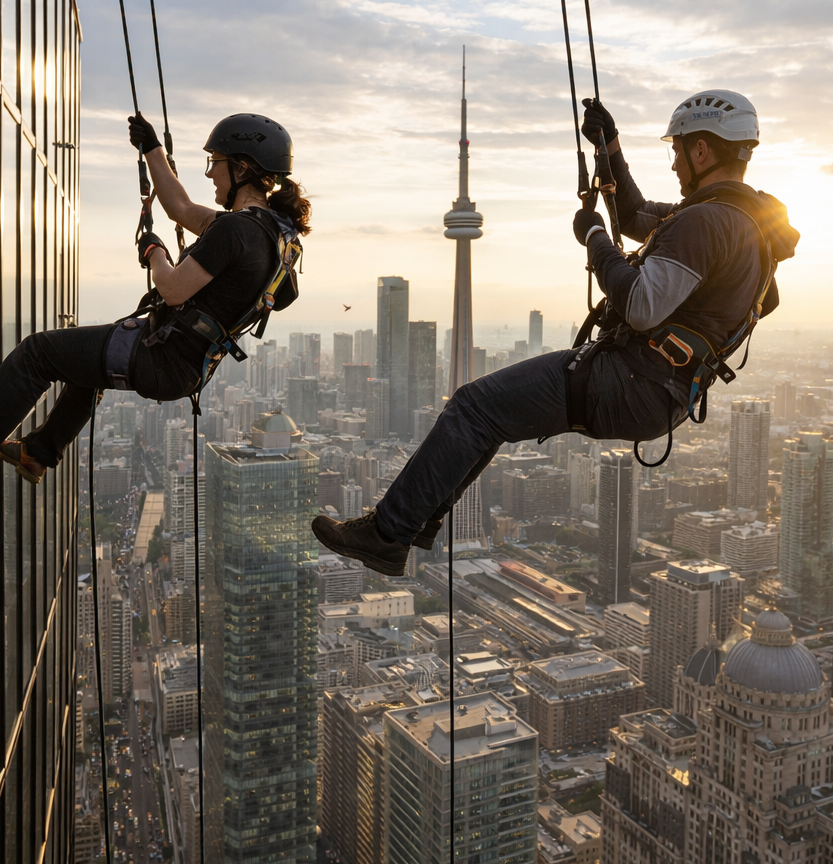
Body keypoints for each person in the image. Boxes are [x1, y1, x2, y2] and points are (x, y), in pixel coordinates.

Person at [313, 89, 799, 575]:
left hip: (633, 380)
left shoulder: (705, 220)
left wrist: (593, 239)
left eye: (677, 149)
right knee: (487, 415)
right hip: (657, 388)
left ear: (701, 150)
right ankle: (409, 525)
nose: (673, 162)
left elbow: (641, 306)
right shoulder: (738, 220)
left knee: (473, 406)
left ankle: (388, 533)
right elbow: (632, 217)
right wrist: (609, 150)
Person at [0, 112, 310, 485]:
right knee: (86, 362)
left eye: (215, 164)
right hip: (184, 363)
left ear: (241, 168)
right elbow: (179, 206)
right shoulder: (268, 236)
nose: (210, 175)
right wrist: (153, 149)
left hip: (162, 357)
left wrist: (155, 253)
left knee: (38, 352)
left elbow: (172, 288)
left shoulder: (234, 231)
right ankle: (38, 453)